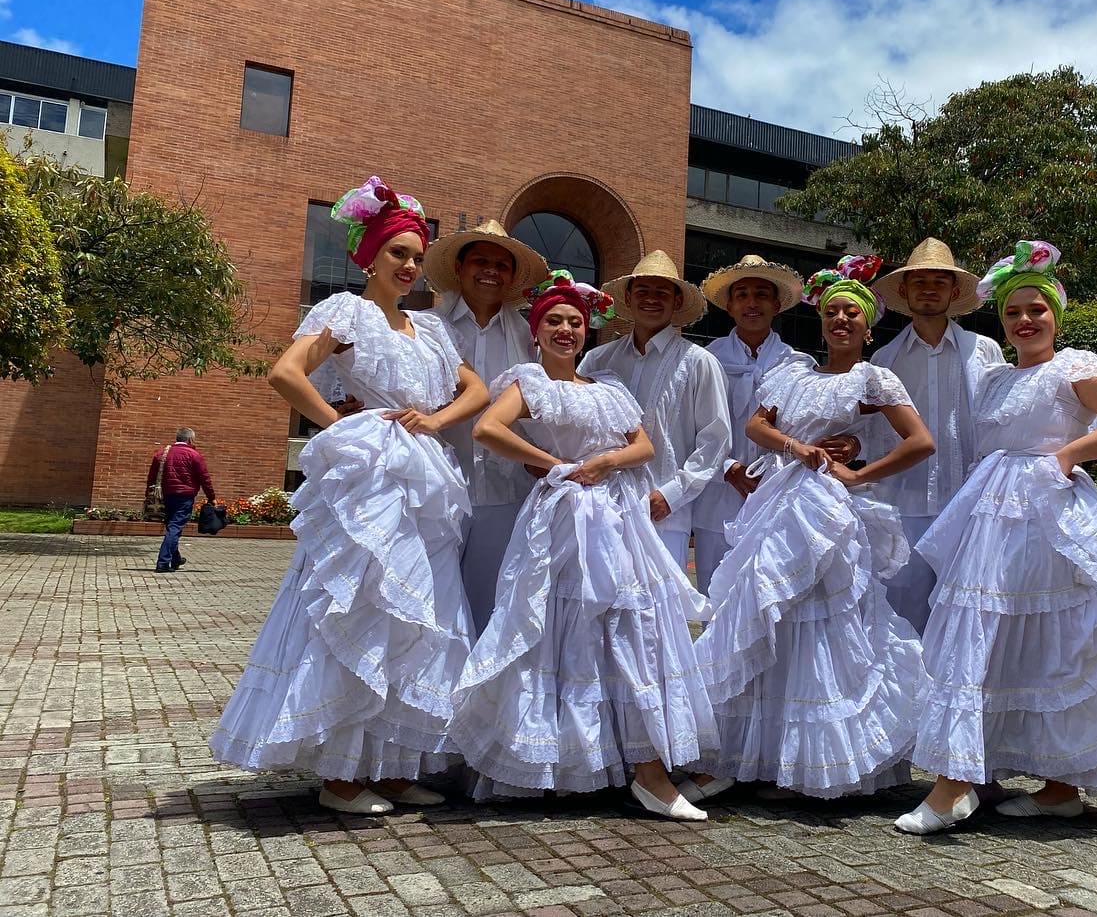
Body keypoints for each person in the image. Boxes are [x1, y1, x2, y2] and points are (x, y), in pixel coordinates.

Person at [209, 177, 491, 816]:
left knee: (419, 611)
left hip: (425, 478)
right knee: (360, 604)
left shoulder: (429, 328)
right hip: (370, 480)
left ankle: (389, 769)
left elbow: (476, 391)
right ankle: (340, 775)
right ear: (369, 254)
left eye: (417, 256)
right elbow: (286, 372)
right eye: (397, 253)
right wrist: (344, 426)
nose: (409, 265)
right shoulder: (348, 311)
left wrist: (438, 420)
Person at [895, 241, 1097, 835]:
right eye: (1014, 313)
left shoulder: (1075, 366)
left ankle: (1020, 787)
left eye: (1036, 310)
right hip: (991, 514)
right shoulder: (996, 378)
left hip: (1047, 515)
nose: (1025, 321)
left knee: (1050, 639)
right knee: (984, 634)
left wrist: (1067, 456)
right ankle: (991, 781)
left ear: (1056, 314)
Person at [449, 271, 718, 822]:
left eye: (575, 322)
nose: (566, 330)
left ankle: (647, 772)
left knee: (629, 630)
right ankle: (572, 762)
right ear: (537, 331)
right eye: (554, 321)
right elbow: (487, 430)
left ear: (587, 330)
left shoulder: (607, 384)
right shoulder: (527, 382)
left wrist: (605, 462)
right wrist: (558, 467)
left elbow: (644, 444)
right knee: (558, 631)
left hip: (619, 520)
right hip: (563, 520)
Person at [687, 255, 934, 800]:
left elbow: (921, 441)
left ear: (869, 326)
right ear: (820, 322)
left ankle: (817, 758)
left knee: (826, 620)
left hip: (827, 507)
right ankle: (745, 753)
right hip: (779, 500)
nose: (840, 321)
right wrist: (793, 446)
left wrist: (858, 470)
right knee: (761, 609)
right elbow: (754, 423)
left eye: (851, 314)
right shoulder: (794, 372)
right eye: (832, 313)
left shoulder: (875, 377)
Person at [871, 238, 1004, 633]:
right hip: (902, 502)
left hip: (966, 500)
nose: (929, 288)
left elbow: (999, 423)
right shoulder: (884, 359)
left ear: (955, 290)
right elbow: (877, 433)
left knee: (964, 615)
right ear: (906, 290)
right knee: (902, 616)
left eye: (939, 281)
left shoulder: (984, 351)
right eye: (919, 281)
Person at [424, 218, 549, 626]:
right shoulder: (427, 327)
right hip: (438, 481)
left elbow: (548, 401)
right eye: (480, 260)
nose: (491, 271)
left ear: (512, 276)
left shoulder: (531, 334)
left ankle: (481, 688)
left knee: (493, 599)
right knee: (431, 595)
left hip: (507, 485)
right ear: (459, 268)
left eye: (502, 264)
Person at [578, 251, 730, 572]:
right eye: (643, 291)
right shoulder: (598, 361)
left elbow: (715, 440)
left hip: (663, 512)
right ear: (629, 297)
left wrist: (672, 495)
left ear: (676, 302)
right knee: (601, 608)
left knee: (659, 613)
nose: (651, 299)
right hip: (603, 504)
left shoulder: (699, 363)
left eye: (662, 292)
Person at [691, 255, 811, 596]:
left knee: (770, 597)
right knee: (715, 594)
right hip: (718, 493)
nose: (752, 303)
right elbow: (692, 427)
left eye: (761, 294)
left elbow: (806, 429)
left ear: (776, 304)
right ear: (728, 305)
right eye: (741, 294)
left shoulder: (798, 363)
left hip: (776, 492)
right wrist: (727, 468)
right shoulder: (706, 359)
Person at [146, 428, 218, 573]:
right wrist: (211, 497)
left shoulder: (161, 454)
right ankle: (163, 562)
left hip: (164, 495)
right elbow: (205, 478)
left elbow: (152, 477)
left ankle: (176, 558)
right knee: (174, 528)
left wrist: (149, 494)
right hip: (184, 496)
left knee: (172, 527)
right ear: (190, 440)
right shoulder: (194, 455)